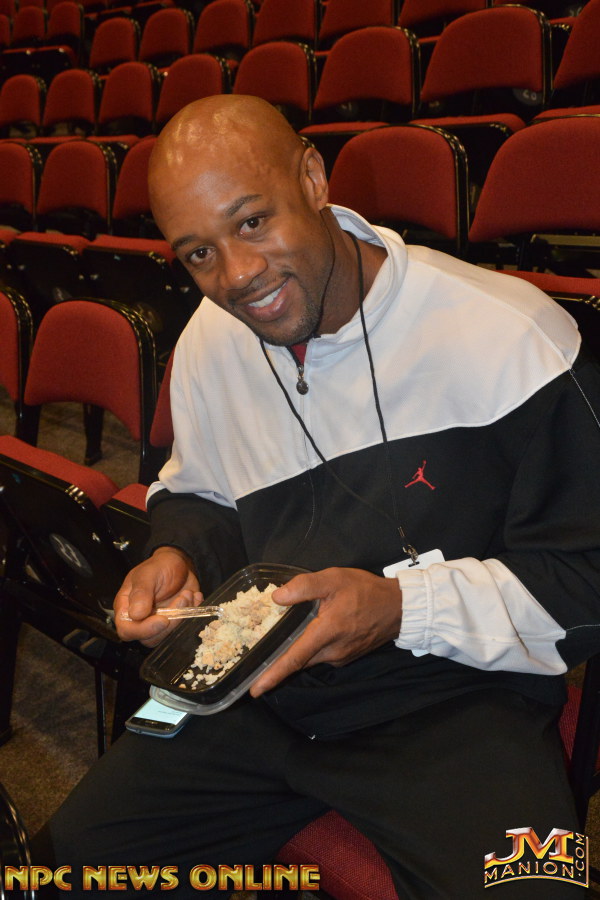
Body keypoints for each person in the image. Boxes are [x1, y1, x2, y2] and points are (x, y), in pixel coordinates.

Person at [37, 94, 600, 898]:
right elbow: (199, 490)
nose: (237, 276)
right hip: (257, 695)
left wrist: (398, 608)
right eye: (198, 253)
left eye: (252, 222)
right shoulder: (211, 338)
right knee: (64, 867)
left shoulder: (510, 335)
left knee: (539, 890)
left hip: (457, 702)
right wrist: (178, 551)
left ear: (312, 178)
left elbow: (585, 582)